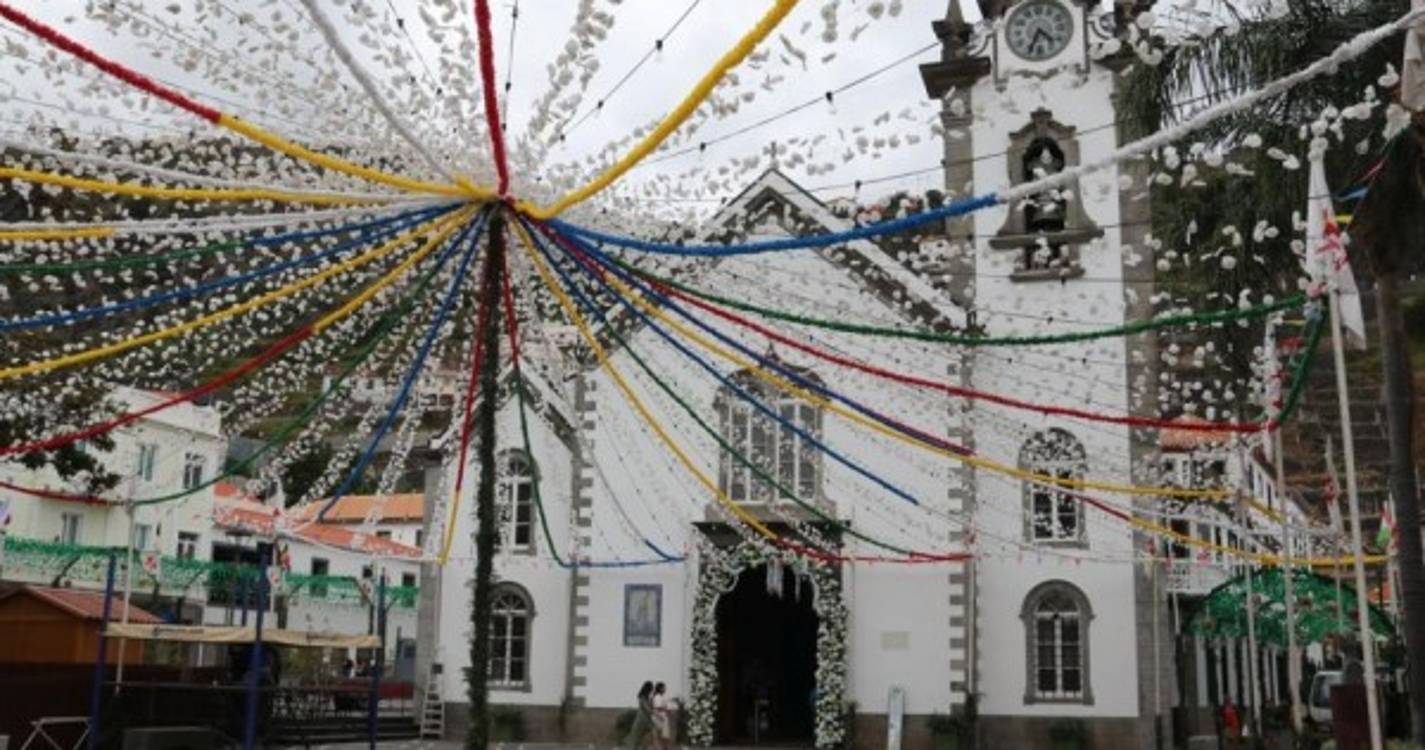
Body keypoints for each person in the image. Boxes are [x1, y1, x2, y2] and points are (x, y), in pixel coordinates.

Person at [625, 681, 654, 750]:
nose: (652, 690)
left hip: (647, 718)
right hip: (642, 719)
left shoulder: (647, 698)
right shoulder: (642, 697)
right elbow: (646, 708)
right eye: (651, 688)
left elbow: (649, 707)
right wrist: (653, 711)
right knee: (636, 737)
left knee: (649, 735)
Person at [652, 682, 673, 750]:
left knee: (665, 735)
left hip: (663, 717)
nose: (665, 689)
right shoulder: (657, 697)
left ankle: (664, 747)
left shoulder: (661, 697)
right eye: (664, 687)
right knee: (663, 735)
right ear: (660, 688)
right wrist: (666, 710)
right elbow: (658, 707)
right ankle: (662, 747)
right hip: (660, 717)